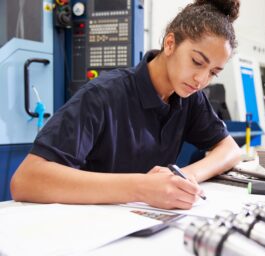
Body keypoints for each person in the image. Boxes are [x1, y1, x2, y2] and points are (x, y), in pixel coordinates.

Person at [11, 0, 242, 210]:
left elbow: (230, 150)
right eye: (197, 62)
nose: (201, 80)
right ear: (170, 43)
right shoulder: (103, 95)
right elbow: (26, 180)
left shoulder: (190, 98)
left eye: (213, 73)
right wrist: (142, 187)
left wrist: (185, 176)